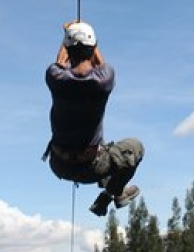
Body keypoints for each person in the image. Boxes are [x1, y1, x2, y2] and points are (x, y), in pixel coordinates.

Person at [42, 21, 144, 216]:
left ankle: (116, 193)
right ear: (93, 48)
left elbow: (60, 63)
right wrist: (89, 40)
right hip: (92, 168)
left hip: (59, 165)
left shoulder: (54, 77)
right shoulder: (104, 79)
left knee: (103, 146)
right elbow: (101, 65)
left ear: (68, 49)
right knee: (134, 147)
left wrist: (69, 33)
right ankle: (112, 193)